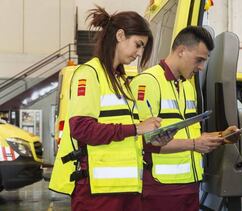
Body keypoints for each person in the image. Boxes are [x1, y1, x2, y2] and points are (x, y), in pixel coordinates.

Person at [49, 6, 171, 211]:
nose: (139, 53)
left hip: (126, 191)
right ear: (120, 35)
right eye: (138, 45)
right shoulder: (89, 74)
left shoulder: (121, 81)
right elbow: (82, 129)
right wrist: (137, 128)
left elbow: (122, 136)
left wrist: (151, 140)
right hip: (97, 193)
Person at [130, 26, 240, 211]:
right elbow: (143, 141)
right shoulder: (148, 82)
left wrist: (221, 136)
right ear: (181, 51)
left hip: (190, 187)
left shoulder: (187, 85)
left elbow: (191, 134)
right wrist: (194, 144)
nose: (201, 67)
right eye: (199, 60)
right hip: (160, 189)